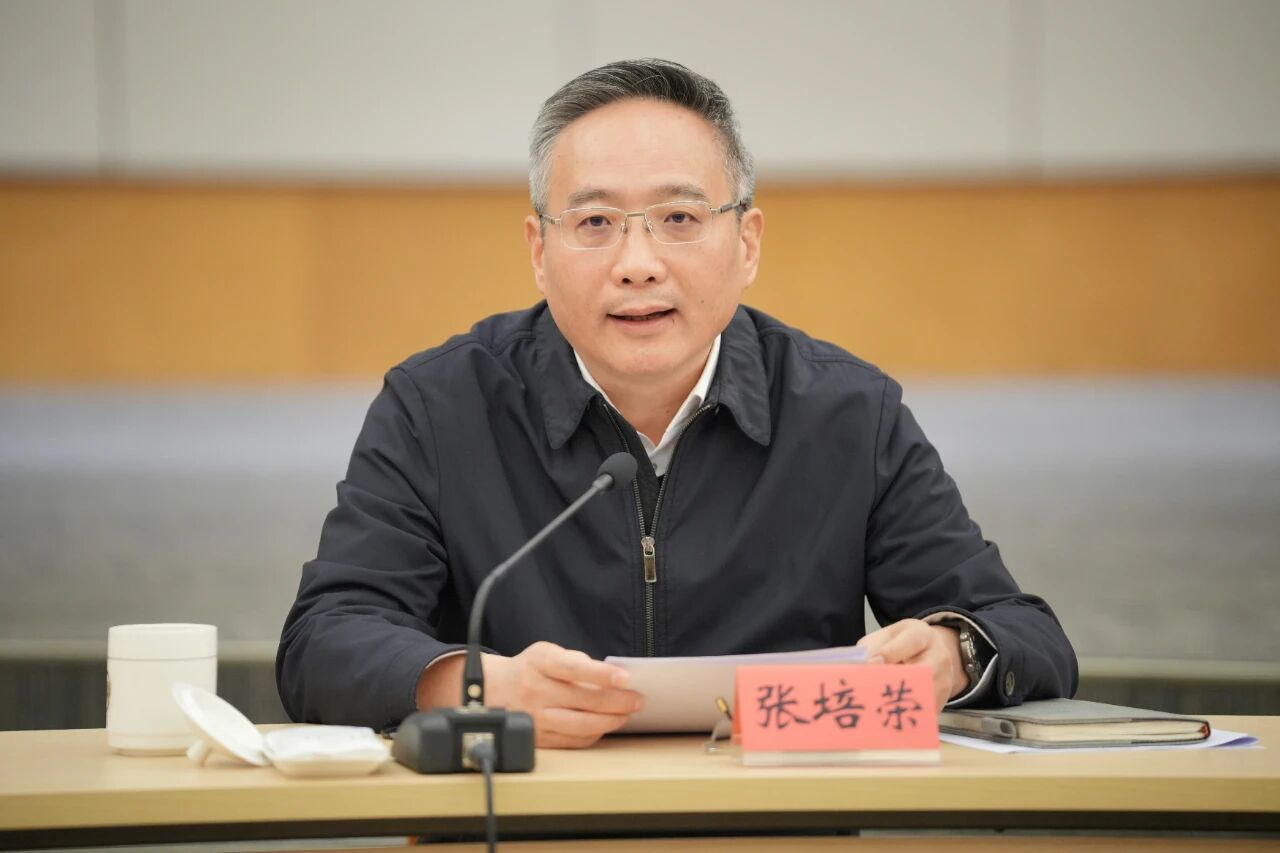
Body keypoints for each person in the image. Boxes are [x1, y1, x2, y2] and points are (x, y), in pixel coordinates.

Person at [277, 59, 1077, 749]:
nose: (638, 262)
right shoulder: (439, 407)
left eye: (680, 219)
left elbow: (1028, 634)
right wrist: (479, 686)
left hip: (769, 825)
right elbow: (322, 642)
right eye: (596, 221)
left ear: (747, 243)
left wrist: (954, 654)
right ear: (539, 250)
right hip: (525, 822)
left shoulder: (848, 413)